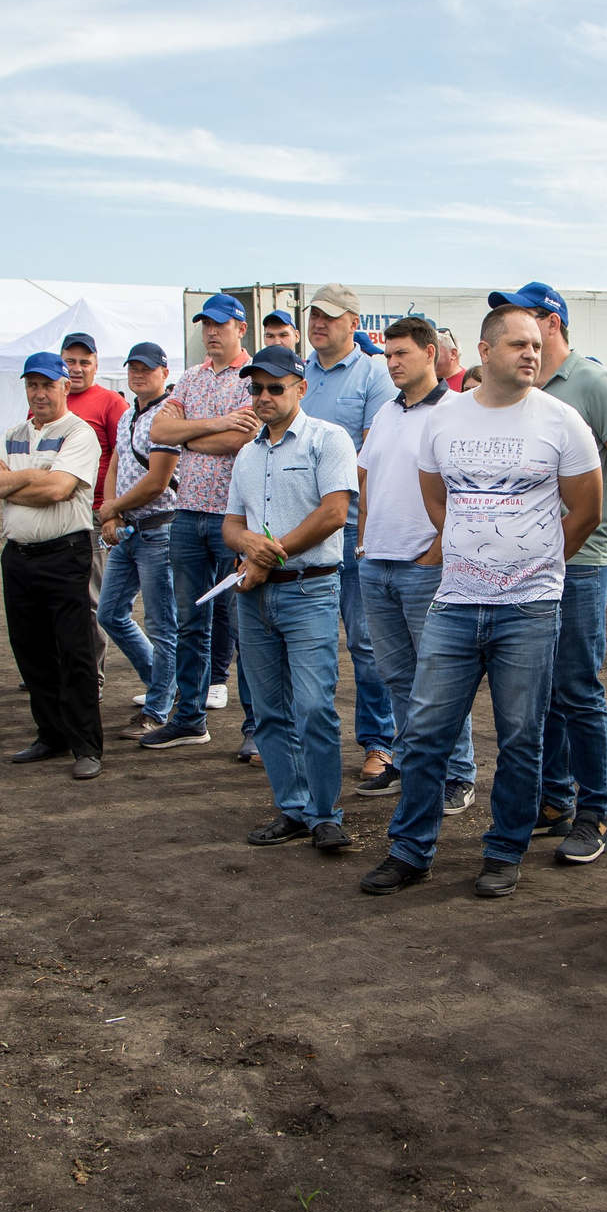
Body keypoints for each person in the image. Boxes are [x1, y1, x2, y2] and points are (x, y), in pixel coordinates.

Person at [358, 304, 601, 899]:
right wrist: (473, 554)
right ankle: (411, 849)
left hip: (530, 607)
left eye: (537, 346)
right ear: (484, 351)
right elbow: (436, 500)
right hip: (456, 601)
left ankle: (504, 851)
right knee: (426, 728)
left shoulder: (562, 421)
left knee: (522, 735)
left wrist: (535, 563)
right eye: (518, 344)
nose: (531, 354)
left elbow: (588, 510)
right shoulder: (445, 420)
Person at [527, 280, 607, 865]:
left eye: (524, 319)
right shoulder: (525, 387)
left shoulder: (595, 383)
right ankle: (554, 801)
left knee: (577, 686)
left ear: (551, 322)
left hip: (581, 561)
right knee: (545, 686)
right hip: (531, 560)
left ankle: (595, 813)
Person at [223, 342, 361, 850]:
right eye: (256, 387)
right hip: (255, 596)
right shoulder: (247, 452)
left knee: (313, 707)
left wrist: (265, 556)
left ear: (300, 389)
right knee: (269, 711)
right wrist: (246, 547)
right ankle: (293, 808)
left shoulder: (328, 439)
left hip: (308, 590)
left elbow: (333, 513)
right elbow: (231, 525)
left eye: (274, 387)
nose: (263, 395)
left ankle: (324, 812)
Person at [356, 317, 478, 820]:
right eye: (388, 355)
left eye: (402, 353)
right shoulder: (386, 412)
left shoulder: (457, 412)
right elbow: (366, 479)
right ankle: (411, 761)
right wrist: (364, 543)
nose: (393, 362)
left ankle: (458, 774)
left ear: (432, 353)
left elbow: (467, 489)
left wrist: (438, 551)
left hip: (424, 565)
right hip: (377, 563)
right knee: (398, 677)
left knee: (441, 676)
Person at [0, 351, 104, 776]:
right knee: (30, 650)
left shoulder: (79, 433)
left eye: (47, 385)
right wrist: (36, 476)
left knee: (75, 652)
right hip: (18, 555)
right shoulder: (14, 433)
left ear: (65, 386)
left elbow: (59, 489)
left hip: (64, 553)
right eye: (32, 385)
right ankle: (50, 734)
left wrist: (11, 483)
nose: (39, 393)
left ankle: (86, 746)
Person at [298, 286, 401, 788]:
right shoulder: (299, 374)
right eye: (314, 315)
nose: (320, 323)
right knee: (308, 639)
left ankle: (380, 743)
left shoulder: (374, 375)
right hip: (302, 533)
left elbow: (375, 456)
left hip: (355, 529)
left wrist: (365, 530)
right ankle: (302, 740)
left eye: (330, 316)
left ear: (353, 321)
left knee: (366, 643)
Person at [143, 294, 253, 750]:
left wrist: (192, 433)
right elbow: (158, 432)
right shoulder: (190, 378)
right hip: (188, 515)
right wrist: (215, 424)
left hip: (234, 515)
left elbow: (242, 439)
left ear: (239, 329)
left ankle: (256, 729)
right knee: (190, 621)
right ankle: (189, 717)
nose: (211, 332)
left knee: (246, 626)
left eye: (220, 324)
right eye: (205, 324)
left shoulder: (253, 379)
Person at [99, 341, 182, 739]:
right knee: (110, 613)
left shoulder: (168, 414)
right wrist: (112, 509)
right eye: (133, 367)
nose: (138, 373)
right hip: (130, 527)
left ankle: (158, 709)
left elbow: (157, 482)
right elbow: (117, 459)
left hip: (159, 528)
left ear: (164, 373)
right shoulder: (128, 413)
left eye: (147, 368)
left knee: (162, 624)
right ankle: (164, 685)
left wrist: (110, 509)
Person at [61, 331, 128, 680]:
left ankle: (93, 676)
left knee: (92, 601)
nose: (76, 368)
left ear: (96, 366)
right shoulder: (49, 400)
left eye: (84, 362)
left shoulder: (109, 403)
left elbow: (126, 457)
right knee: (58, 596)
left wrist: (113, 509)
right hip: (55, 513)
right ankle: (62, 669)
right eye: (70, 361)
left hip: (93, 513)